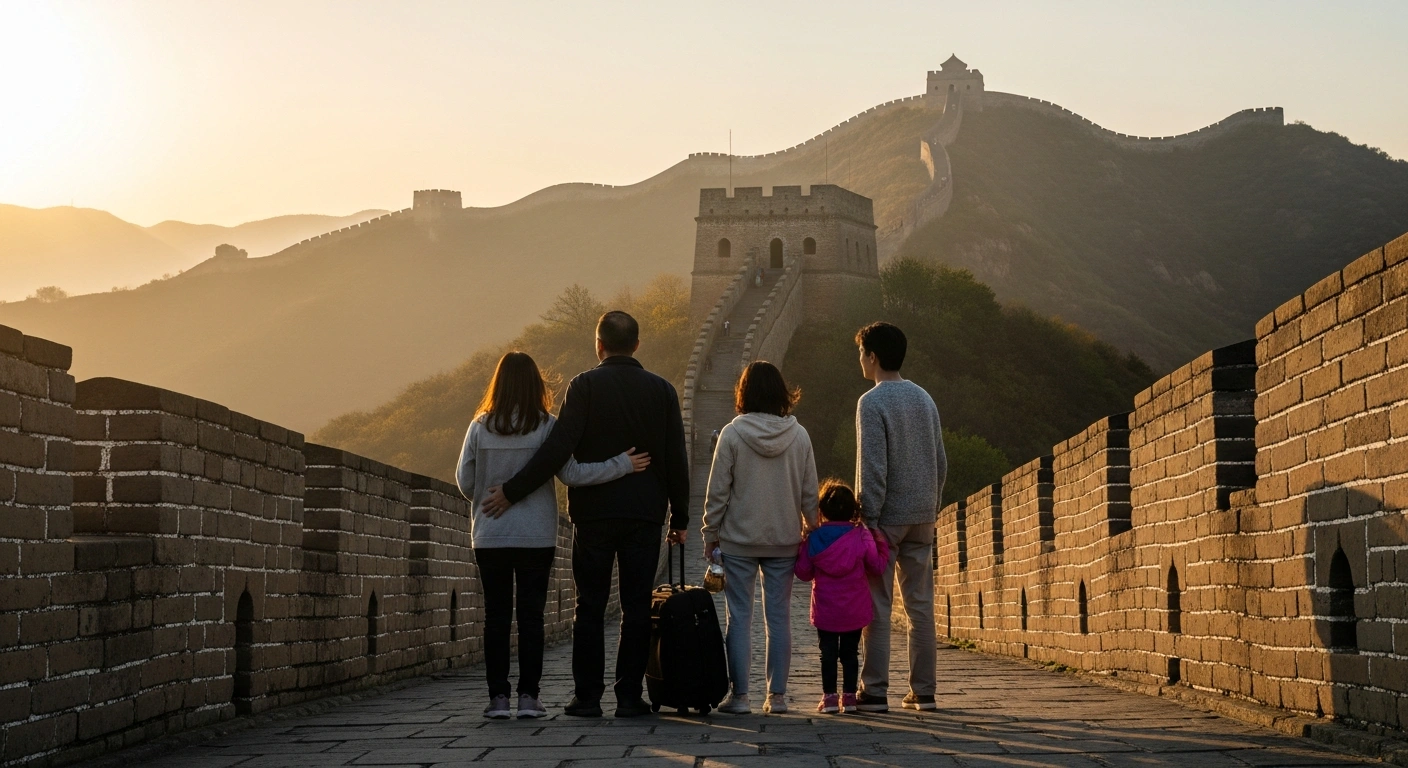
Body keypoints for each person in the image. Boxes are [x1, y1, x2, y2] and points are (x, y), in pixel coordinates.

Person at [480, 311, 690, 719]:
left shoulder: (585, 385)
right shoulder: (662, 390)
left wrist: (510, 491)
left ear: (599, 344)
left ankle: (588, 697)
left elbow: (559, 449)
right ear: (637, 345)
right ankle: (629, 696)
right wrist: (679, 519)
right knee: (635, 607)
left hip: (593, 514)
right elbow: (675, 458)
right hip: (645, 513)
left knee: (589, 606)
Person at [456, 352, 653, 719]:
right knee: (532, 617)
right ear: (536, 385)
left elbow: (466, 481)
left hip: (490, 537)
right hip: (536, 536)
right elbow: (573, 474)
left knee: (496, 618)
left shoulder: (479, 427)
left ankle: (498, 699)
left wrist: (490, 501)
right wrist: (621, 465)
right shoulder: (548, 426)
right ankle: (529, 697)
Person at [701, 361, 819, 715]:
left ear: (744, 392)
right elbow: (809, 493)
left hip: (739, 539)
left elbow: (718, 491)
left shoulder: (732, 434)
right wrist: (812, 528)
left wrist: (710, 532)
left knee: (739, 618)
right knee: (779, 617)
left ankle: (739, 697)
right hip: (784, 540)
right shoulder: (799, 436)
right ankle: (778, 696)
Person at [853, 322, 947, 713]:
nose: (859, 360)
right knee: (920, 604)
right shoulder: (924, 398)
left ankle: (874, 690)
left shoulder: (871, 402)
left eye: (861, 353)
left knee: (878, 603)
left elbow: (872, 467)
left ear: (872, 357)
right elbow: (941, 461)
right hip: (923, 515)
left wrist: (868, 516)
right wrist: (931, 505)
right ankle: (924, 691)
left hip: (886, 518)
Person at [795, 480, 889, 714]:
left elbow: (803, 572)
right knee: (850, 653)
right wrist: (880, 542)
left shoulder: (815, 538)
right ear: (853, 510)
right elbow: (877, 566)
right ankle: (849, 699)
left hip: (825, 608)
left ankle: (828, 698)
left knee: (827, 654)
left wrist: (801, 545)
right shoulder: (861, 535)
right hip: (854, 607)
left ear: (822, 510)